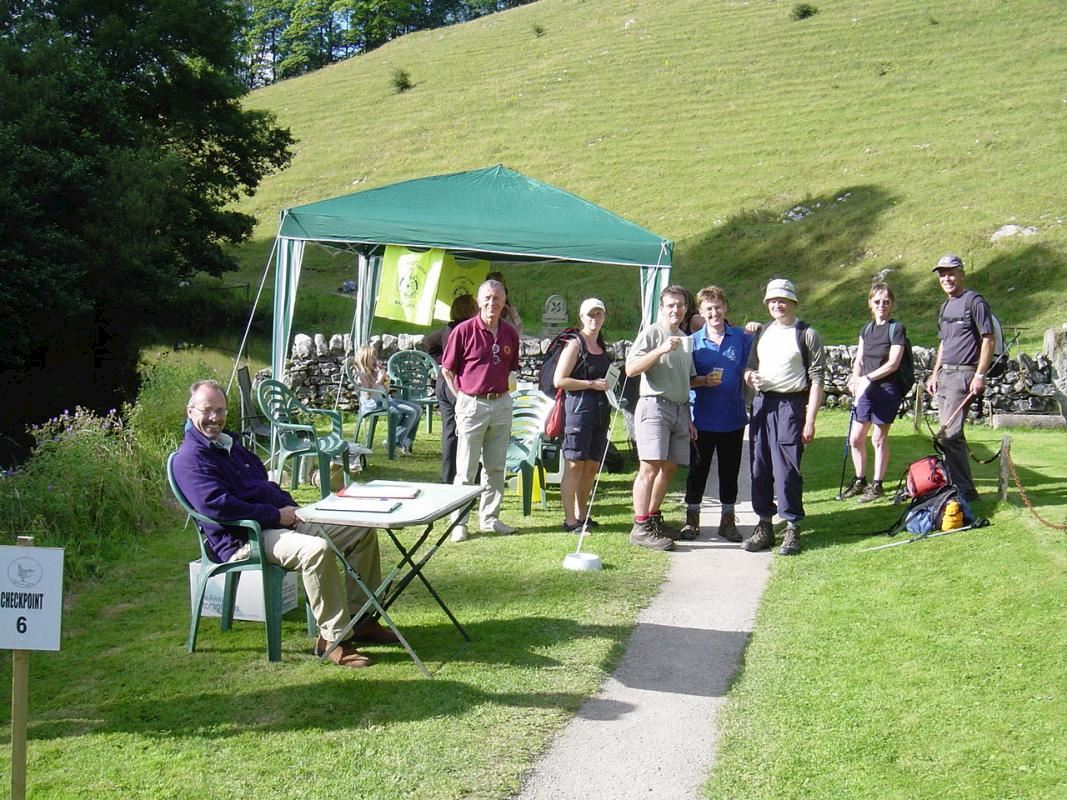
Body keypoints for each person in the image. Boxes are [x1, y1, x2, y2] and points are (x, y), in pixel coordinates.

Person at [172, 379, 398, 669]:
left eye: (221, 410)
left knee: (361, 530)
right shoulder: (190, 459)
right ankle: (331, 639)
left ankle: (361, 619)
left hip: (274, 522)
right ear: (190, 411)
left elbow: (263, 484)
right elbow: (218, 506)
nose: (215, 418)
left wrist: (289, 506)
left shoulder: (230, 445)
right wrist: (276, 515)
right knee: (315, 550)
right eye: (207, 410)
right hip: (243, 537)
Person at [743, 278, 826, 556]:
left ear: (793, 302)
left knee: (787, 467)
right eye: (772, 301)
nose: (777, 304)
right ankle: (764, 525)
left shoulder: (806, 334)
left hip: (791, 405)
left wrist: (810, 419)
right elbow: (750, 366)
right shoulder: (763, 332)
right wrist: (750, 377)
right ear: (767, 304)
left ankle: (791, 526)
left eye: (783, 300)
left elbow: (817, 379)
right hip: (762, 403)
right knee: (759, 465)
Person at [440, 279, 521, 541]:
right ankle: (459, 522)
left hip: (501, 403)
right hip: (472, 403)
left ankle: (490, 518)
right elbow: (447, 370)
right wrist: (462, 398)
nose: (492, 303)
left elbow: (512, 369)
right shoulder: (463, 331)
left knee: (496, 467)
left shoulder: (510, 333)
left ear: (504, 302)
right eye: (487, 298)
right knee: (466, 468)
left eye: (497, 298)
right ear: (478, 301)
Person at [625, 285, 698, 551]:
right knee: (650, 468)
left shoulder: (685, 337)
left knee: (669, 468)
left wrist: (688, 417)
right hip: (654, 406)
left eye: (680, 305)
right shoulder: (653, 333)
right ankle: (640, 526)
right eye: (671, 305)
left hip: (679, 409)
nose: (676, 310)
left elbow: (685, 381)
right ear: (662, 308)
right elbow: (631, 369)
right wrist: (660, 350)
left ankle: (653, 517)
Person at [680, 286, 756, 542]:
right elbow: (683, 381)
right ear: (700, 313)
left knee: (729, 471)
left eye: (718, 307)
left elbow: (760, 352)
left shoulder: (741, 338)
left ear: (725, 308)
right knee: (697, 471)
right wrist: (701, 381)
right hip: (700, 419)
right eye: (708, 309)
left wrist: (758, 327)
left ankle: (728, 521)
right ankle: (691, 520)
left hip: (733, 419)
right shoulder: (692, 343)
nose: (714, 313)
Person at [924, 253, 994, 502]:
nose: (947, 278)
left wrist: (979, 375)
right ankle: (954, 484)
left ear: (962, 274)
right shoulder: (945, 306)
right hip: (945, 376)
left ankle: (964, 490)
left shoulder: (974, 302)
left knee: (950, 434)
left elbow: (988, 338)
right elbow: (943, 343)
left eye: (951, 273)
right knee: (949, 435)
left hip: (963, 375)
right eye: (942, 274)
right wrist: (935, 374)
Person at [841, 283, 907, 503]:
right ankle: (860, 480)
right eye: (877, 301)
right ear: (870, 303)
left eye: (886, 301)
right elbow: (859, 360)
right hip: (866, 389)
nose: (882, 305)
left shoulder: (896, 328)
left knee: (878, 438)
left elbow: (893, 364)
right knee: (856, 438)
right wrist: (855, 380)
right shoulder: (866, 329)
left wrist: (867, 379)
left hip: (887, 389)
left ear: (892, 305)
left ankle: (877, 485)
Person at [553, 298, 612, 532]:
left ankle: (582, 513)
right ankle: (569, 521)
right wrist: (590, 384)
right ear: (581, 316)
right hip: (578, 411)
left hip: (600, 412)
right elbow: (560, 380)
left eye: (598, 314)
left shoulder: (602, 345)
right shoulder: (575, 344)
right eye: (590, 314)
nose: (594, 319)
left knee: (591, 466)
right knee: (575, 465)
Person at [425, 293, 479, 484]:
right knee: (470, 429)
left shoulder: (447, 329)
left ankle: (448, 478)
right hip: (457, 383)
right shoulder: (469, 329)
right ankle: (473, 475)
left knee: (450, 431)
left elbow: (428, 343)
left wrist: (442, 362)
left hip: (443, 383)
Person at [350, 345, 421, 455]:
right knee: (411, 411)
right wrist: (378, 381)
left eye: (375, 357)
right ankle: (394, 441)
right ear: (364, 359)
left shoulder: (375, 371)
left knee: (418, 409)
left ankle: (405, 440)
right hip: (374, 404)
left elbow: (387, 390)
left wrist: (385, 379)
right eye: (372, 357)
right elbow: (367, 395)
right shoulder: (361, 375)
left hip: (387, 400)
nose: (375, 360)